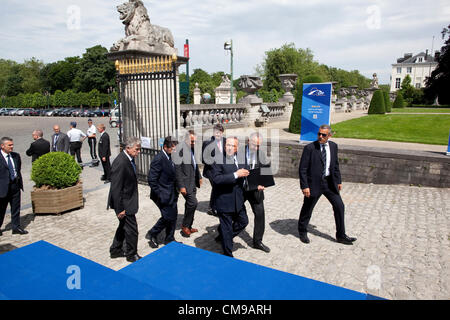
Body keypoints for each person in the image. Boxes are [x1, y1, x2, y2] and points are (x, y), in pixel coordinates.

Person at [298, 124, 357, 245]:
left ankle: (341, 235)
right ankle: (302, 231)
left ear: (329, 135)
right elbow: (302, 169)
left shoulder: (334, 146)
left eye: (323, 135)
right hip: (314, 184)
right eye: (319, 134)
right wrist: (305, 186)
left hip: (329, 183)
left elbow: (335, 165)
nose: (320, 136)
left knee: (339, 206)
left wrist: (338, 180)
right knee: (307, 208)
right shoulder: (310, 148)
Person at [210, 137, 249, 257]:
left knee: (243, 221)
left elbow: (247, 174)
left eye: (232, 146)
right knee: (227, 228)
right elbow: (216, 179)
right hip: (224, 200)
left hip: (238, 199)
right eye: (228, 145)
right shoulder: (218, 159)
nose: (229, 148)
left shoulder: (242, 158)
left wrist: (256, 185)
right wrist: (235, 175)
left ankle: (223, 235)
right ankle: (227, 254)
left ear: (237, 148)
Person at [107, 137, 142, 262]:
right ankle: (131, 254)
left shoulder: (129, 159)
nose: (138, 152)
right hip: (125, 203)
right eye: (137, 149)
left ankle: (115, 249)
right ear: (128, 148)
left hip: (128, 199)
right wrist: (120, 208)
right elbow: (116, 187)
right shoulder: (121, 162)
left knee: (123, 226)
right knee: (132, 230)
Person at [146, 136, 179, 248]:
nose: (175, 151)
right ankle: (153, 233)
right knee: (167, 217)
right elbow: (151, 179)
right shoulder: (159, 159)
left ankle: (170, 238)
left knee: (173, 216)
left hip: (172, 193)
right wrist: (160, 194)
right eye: (173, 149)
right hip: (163, 195)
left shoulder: (170, 157)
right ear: (165, 147)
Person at [244, 132, 271, 253]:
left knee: (260, 215)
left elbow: (266, 169)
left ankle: (257, 241)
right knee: (233, 213)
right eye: (254, 145)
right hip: (242, 189)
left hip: (256, 190)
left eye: (259, 145)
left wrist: (264, 182)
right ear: (248, 141)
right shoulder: (238, 153)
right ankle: (223, 233)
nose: (256, 148)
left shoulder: (262, 154)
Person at [175, 130, 202, 237]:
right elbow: (177, 169)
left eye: (194, 141)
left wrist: (199, 176)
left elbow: (194, 163)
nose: (193, 143)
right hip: (185, 183)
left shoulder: (191, 148)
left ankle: (189, 226)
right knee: (193, 203)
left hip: (192, 181)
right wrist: (181, 186)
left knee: (190, 204)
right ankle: (185, 226)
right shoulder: (179, 149)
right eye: (192, 141)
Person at [0, 137, 28, 235]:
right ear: (2, 146)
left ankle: (16, 227)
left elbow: (18, 169)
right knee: (1, 209)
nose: (12, 147)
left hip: (15, 186)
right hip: (2, 188)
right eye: (9, 145)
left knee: (16, 208)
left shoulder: (16, 156)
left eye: (12, 145)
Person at [202, 123, 226, 216]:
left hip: (223, 170)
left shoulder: (226, 141)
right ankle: (214, 208)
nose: (218, 134)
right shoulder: (207, 143)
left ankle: (213, 207)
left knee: (218, 188)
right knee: (217, 187)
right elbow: (204, 159)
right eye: (216, 132)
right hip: (212, 171)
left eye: (219, 132)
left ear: (222, 132)